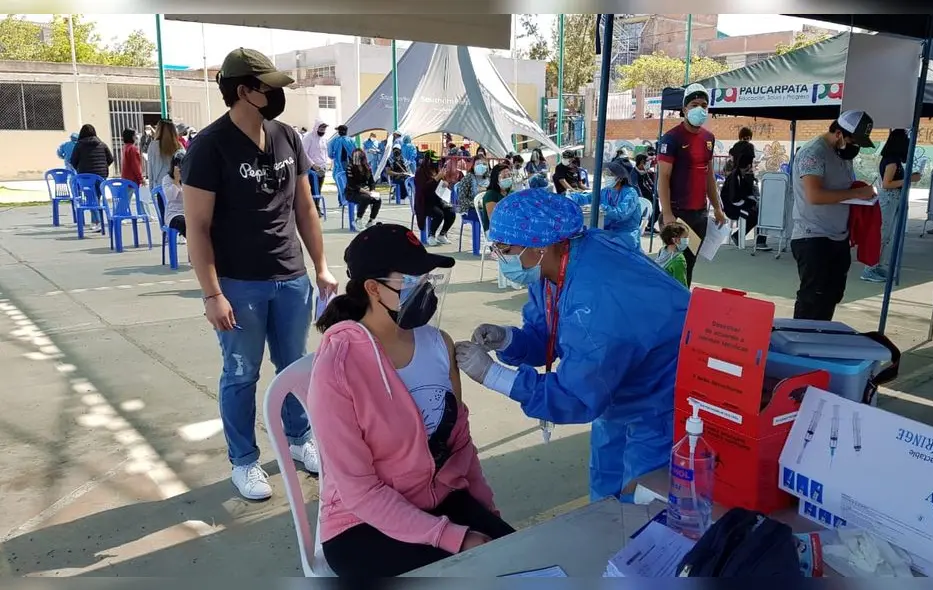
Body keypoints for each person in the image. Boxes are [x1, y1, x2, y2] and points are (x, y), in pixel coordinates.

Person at [454, 190, 690, 502]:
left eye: (505, 248)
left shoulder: (595, 295)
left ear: (540, 244)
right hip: (619, 385)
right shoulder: (557, 262)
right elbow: (548, 334)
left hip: (664, 390)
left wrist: (493, 375)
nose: (501, 257)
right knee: (607, 482)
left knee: (644, 497)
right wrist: (508, 339)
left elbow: (575, 394)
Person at [309, 223, 514, 577]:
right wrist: (454, 537)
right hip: (361, 523)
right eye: (411, 279)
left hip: (440, 499)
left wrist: (489, 518)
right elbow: (359, 491)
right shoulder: (337, 366)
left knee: (522, 559)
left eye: (427, 276)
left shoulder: (438, 344)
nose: (424, 287)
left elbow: (460, 447)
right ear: (373, 288)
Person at [180, 47, 337, 500]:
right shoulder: (209, 146)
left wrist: (321, 267)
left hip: (291, 276)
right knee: (240, 373)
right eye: (268, 87)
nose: (276, 94)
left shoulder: (286, 136)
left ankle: (300, 438)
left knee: (294, 366)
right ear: (244, 91)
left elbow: (304, 208)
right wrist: (212, 294)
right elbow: (198, 227)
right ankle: (244, 461)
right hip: (238, 283)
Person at [790, 110, 877, 321]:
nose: (855, 147)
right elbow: (814, 195)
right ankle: (801, 338)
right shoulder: (813, 153)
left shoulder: (842, 154)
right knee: (813, 298)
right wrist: (857, 194)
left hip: (838, 235)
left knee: (832, 295)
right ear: (839, 133)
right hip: (813, 236)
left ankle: (822, 334)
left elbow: (841, 188)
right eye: (852, 141)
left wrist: (861, 194)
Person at [656, 83, 728, 287]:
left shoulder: (708, 138)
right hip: (677, 215)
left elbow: (709, 176)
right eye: (694, 105)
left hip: (699, 216)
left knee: (689, 264)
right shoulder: (671, 138)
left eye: (704, 105)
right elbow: (663, 177)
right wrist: (667, 214)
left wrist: (717, 208)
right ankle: (670, 301)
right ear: (685, 109)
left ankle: (683, 301)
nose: (700, 109)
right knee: (673, 264)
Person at [860, 129, 921, 282]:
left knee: (886, 236)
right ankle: (869, 268)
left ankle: (877, 265)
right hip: (889, 199)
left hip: (893, 199)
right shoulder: (892, 161)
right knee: (882, 235)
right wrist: (909, 178)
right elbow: (887, 184)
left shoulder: (893, 160)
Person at [414, 151, 457, 246]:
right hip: (424, 201)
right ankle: (431, 235)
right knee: (439, 214)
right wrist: (436, 178)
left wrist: (445, 183)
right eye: (433, 161)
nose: (435, 163)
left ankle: (442, 234)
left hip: (437, 199)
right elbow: (423, 189)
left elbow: (441, 183)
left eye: (437, 161)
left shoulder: (437, 170)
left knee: (451, 212)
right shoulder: (420, 172)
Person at [601, 160, 643, 250]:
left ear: (620, 178)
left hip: (626, 234)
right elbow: (590, 197)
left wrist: (603, 208)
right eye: (606, 173)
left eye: (610, 174)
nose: (606, 176)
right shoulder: (607, 191)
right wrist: (574, 197)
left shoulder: (630, 193)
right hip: (609, 231)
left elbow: (622, 214)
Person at [345, 147, 381, 228]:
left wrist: (372, 190)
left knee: (377, 199)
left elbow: (371, 181)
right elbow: (351, 184)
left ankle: (371, 220)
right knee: (366, 198)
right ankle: (358, 219)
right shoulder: (349, 167)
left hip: (366, 191)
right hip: (352, 192)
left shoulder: (367, 167)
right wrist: (366, 192)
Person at [147, 119, 184, 192]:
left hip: (159, 187)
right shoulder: (179, 146)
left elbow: (150, 169)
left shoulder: (153, 145)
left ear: (158, 130)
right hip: (175, 186)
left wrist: (151, 190)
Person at [480, 162, 513, 231]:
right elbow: (494, 220)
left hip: (508, 226)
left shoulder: (511, 192)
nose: (508, 178)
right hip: (494, 230)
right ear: (496, 179)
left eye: (510, 175)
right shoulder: (490, 195)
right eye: (504, 177)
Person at [655, 222, 689, 288]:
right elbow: (681, 284)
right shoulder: (679, 259)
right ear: (675, 240)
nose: (687, 240)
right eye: (685, 237)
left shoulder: (662, 250)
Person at [160, 153, 187, 239]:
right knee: (185, 223)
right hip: (174, 214)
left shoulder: (189, 178)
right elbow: (171, 197)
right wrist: (176, 180)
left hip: (188, 212)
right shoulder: (167, 179)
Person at [302, 120, 330, 203]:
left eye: (324, 129)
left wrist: (325, 164)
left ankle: (317, 205)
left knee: (318, 189)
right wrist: (313, 165)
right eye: (321, 128)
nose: (322, 131)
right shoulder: (308, 137)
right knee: (313, 189)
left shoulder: (323, 138)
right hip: (312, 168)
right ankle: (313, 207)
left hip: (322, 168)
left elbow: (325, 152)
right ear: (316, 127)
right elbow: (304, 153)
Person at [630, 153, 656, 233]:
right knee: (640, 213)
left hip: (648, 194)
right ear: (641, 162)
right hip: (641, 197)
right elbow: (636, 186)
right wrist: (641, 197)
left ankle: (649, 226)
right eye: (646, 161)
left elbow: (650, 182)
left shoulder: (644, 171)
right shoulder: (634, 173)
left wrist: (655, 190)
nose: (648, 163)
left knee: (656, 210)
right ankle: (636, 229)